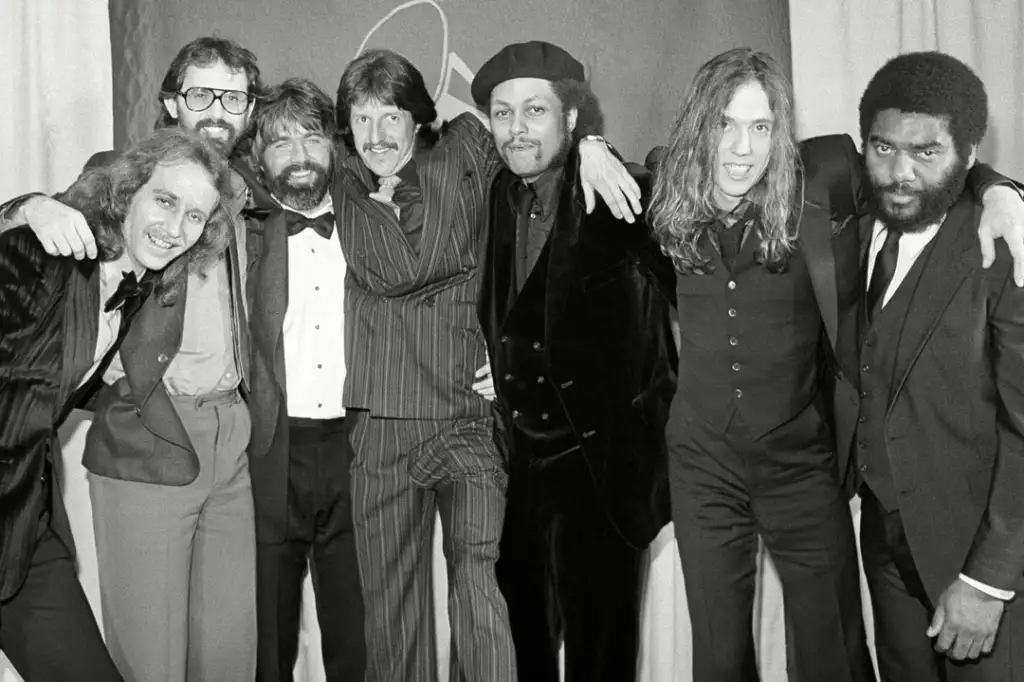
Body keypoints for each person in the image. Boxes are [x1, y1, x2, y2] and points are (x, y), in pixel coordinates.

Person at [647, 47, 1024, 682]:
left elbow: (927, 157)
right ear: (698, 125)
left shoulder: (825, 178)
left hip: (801, 460)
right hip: (700, 463)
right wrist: (591, 146)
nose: (742, 147)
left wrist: (1003, 190)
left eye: (761, 126)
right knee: (716, 651)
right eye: (724, 124)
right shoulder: (660, 199)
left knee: (832, 651)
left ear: (781, 131)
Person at [331, 47, 638, 682]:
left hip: (468, 420)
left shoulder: (470, 148)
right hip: (380, 422)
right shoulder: (335, 172)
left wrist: (591, 144)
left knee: (483, 585)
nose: (377, 135)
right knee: (391, 613)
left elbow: (540, 140)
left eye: (392, 117)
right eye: (361, 120)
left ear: (421, 118)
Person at [0, 35, 261, 682]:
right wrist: (20, 208)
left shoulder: (143, 279)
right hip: (135, 452)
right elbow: (38, 232)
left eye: (234, 97)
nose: (176, 226)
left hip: (27, 522)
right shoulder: (57, 252)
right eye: (201, 92)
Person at [468, 41, 677, 681]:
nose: (517, 129)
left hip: (601, 466)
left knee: (601, 651)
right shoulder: (498, 195)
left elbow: (700, 180)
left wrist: (599, 149)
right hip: (521, 467)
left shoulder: (623, 190)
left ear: (572, 118)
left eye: (535, 110)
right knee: (526, 637)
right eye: (502, 114)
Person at [834, 51, 1024, 681]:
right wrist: (588, 142)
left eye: (926, 152)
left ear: (969, 156)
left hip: (977, 557)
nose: (900, 173)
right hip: (885, 542)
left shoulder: (1004, 250)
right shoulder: (854, 226)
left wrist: (989, 581)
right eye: (883, 149)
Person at [236, 78, 365, 682]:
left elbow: (461, 143)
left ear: (336, 145)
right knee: (268, 631)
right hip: (270, 447)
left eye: (312, 136)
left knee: (357, 628)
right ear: (257, 155)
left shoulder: (372, 217)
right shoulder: (236, 225)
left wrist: (593, 146)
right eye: (280, 141)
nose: (299, 154)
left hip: (356, 445)